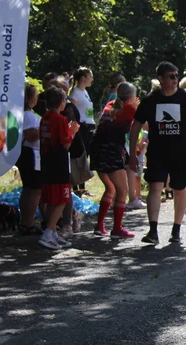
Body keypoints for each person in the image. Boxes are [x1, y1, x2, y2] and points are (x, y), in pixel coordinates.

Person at [129, 62, 186, 245]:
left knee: (180, 188)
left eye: (176, 75)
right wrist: (131, 153)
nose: (175, 79)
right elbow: (136, 125)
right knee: (155, 187)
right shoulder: (150, 100)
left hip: (182, 152)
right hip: (157, 151)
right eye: (171, 76)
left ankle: (176, 230)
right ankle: (153, 231)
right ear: (160, 79)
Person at [89, 82, 138, 238]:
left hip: (97, 149)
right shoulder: (129, 109)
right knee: (122, 190)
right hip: (111, 150)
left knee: (111, 188)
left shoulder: (110, 104)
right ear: (131, 96)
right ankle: (117, 229)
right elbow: (134, 129)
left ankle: (99, 225)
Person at [38, 87, 80, 249]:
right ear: (61, 103)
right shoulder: (60, 119)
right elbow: (66, 143)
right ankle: (48, 232)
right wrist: (73, 132)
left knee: (50, 198)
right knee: (62, 199)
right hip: (59, 163)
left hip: (46, 162)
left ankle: (52, 231)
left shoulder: (45, 118)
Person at [17, 83, 43, 235]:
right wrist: (44, 129)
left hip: (26, 153)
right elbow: (31, 135)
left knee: (27, 188)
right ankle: (29, 222)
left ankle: (25, 221)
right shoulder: (28, 115)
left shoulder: (23, 114)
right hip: (31, 153)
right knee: (35, 189)